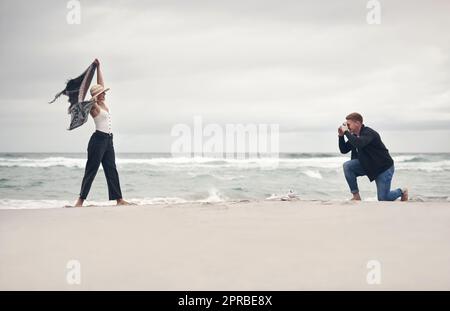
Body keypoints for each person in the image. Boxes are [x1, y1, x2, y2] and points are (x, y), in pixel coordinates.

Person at [74, 59, 130, 207]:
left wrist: (99, 68)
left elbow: (100, 84)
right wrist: (93, 96)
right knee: (91, 170)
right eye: (102, 93)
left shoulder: (103, 103)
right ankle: (80, 201)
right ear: (97, 96)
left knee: (111, 169)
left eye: (104, 92)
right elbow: (88, 101)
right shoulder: (94, 107)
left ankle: (119, 199)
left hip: (108, 141)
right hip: (98, 141)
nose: (104, 94)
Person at [338, 112, 408, 201]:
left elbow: (359, 144)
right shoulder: (354, 136)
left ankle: (402, 191)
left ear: (358, 123)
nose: (347, 127)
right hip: (369, 165)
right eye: (346, 125)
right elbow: (343, 150)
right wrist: (341, 136)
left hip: (383, 168)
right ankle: (356, 196)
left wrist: (346, 132)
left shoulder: (369, 133)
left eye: (348, 124)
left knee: (383, 198)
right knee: (347, 166)